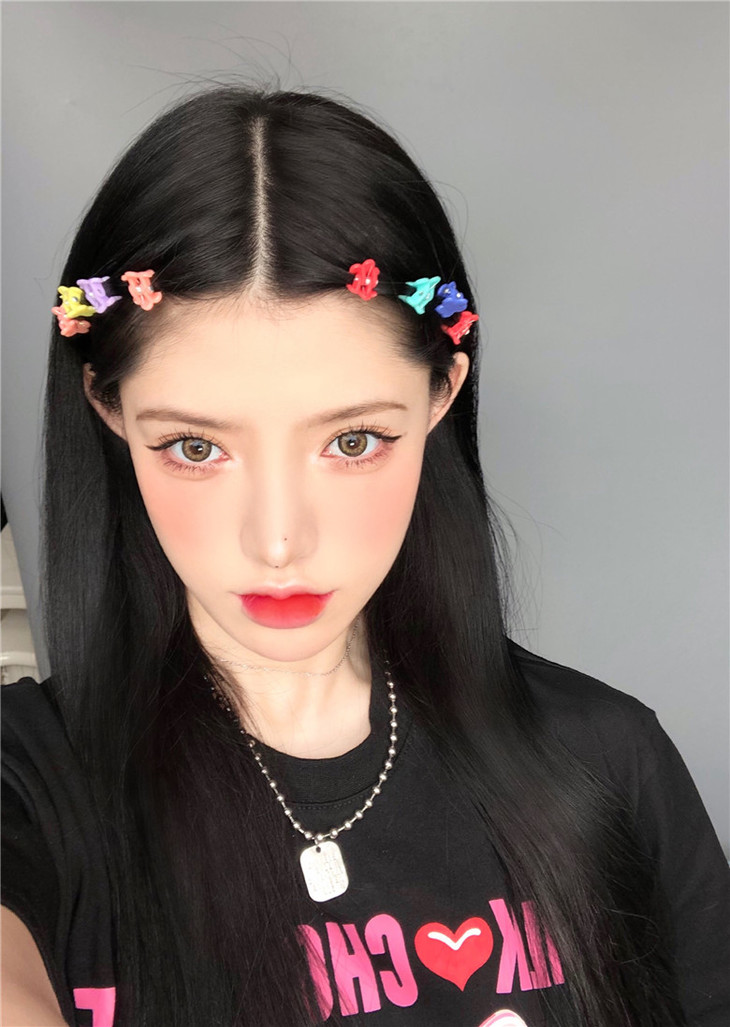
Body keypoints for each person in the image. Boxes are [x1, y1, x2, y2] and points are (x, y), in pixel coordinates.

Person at [1, 84, 728, 1027]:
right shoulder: (27, 781)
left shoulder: (606, 758)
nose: (277, 540)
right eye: (194, 446)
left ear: (440, 395)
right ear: (108, 408)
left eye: (352, 441)